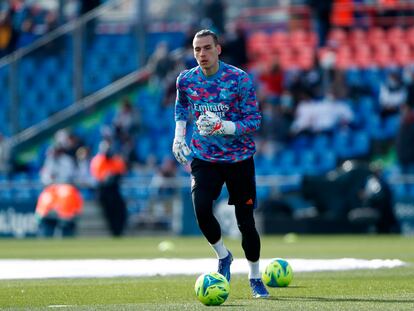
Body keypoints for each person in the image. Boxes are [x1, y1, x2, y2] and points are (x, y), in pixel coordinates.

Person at [172, 29, 269, 298]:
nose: (201, 54)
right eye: (196, 49)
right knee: (201, 209)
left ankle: (255, 276)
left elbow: (254, 121)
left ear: (218, 49)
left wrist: (223, 126)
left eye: (206, 48)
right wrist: (179, 137)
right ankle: (223, 257)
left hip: (239, 158)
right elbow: (181, 107)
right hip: (205, 158)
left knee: (245, 223)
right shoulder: (186, 80)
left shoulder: (239, 79)